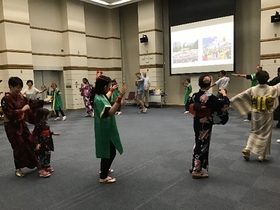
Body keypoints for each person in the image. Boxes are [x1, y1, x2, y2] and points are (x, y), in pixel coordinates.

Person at [230, 70, 280, 162]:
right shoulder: (272, 89)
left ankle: (248, 148)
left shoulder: (252, 89)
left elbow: (240, 96)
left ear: (256, 79)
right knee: (266, 134)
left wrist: (229, 102)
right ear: (268, 79)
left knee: (254, 132)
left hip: (255, 114)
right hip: (267, 114)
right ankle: (261, 155)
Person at [1, 77, 44, 177]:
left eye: (20, 88)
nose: (19, 90)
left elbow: (30, 102)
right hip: (12, 126)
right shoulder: (6, 99)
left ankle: (35, 162)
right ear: (11, 87)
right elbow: (11, 114)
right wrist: (23, 110)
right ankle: (18, 168)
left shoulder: (20, 96)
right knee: (18, 146)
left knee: (30, 141)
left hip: (21, 124)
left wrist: (43, 101)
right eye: (17, 88)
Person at [188, 75, 229, 179]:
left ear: (199, 84)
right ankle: (197, 170)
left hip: (197, 121)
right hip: (205, 123)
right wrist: (224, 95)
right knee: (202, 144)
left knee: (198, 141)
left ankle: (194, 165)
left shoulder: (194, 95)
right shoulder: (210, 97)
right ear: (210, 84)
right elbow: (224, 104)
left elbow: (189, 105)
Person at [92, 75, 127, 183]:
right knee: (110, 152)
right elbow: (111, 111)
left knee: (107, 151)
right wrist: (120, 96)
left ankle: (104, 169)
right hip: (105, 129)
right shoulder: (99, 99)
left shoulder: (99, 95)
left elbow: (106, 96)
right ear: (104, 87)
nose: (109, 88)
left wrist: (112, 90)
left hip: (105, 127)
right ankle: (103, 177)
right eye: (109, 86)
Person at [33, 108, 60, 178]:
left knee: (47, 154)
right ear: (43, 116)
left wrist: (53, 133)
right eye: (47, 115)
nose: (48, 117)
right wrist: (37, 143)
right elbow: (35, 135)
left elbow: (47, 132)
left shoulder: (45, 124)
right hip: (42, 144)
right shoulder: (38, 125)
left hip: (47, 142)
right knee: (42, 156)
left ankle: (47, 166)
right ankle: (41, 169)